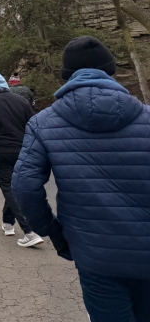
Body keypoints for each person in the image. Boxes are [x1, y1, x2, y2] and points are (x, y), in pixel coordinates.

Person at [12, 37, 150, 322]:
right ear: (110, 71)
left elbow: (24, 186)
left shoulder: (43, 123)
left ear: (67, 75)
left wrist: (52, 231)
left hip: (94, 251)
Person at [0, 72, 42, 247]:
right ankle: (8, 223)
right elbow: (34, 124)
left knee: (9, 188)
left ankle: (30, 231)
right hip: (23, 150)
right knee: (15, 186)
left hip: (0, 152)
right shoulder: (22, 102)